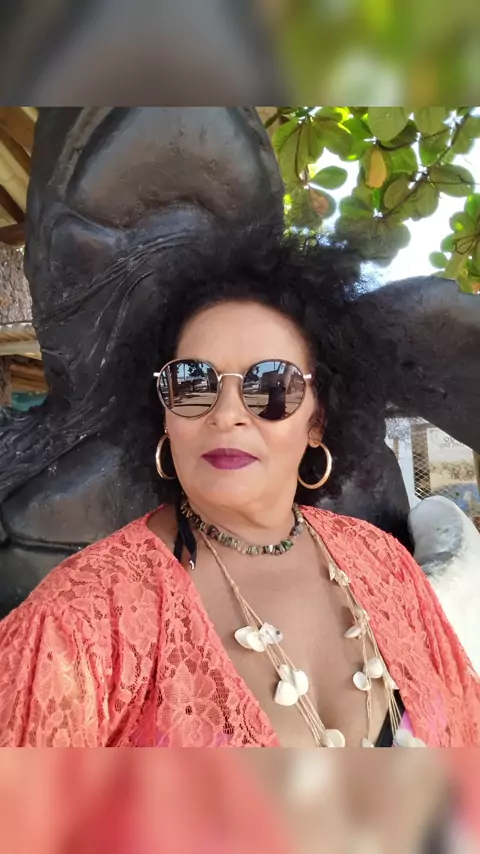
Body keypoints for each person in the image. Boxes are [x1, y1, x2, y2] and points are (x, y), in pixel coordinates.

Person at [0, 230, 479, 748]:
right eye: (192, 382)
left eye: (271, 385)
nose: (226, 413)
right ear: (164, 417)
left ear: (318, 419)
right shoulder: (82, 617)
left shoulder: (385, 563)